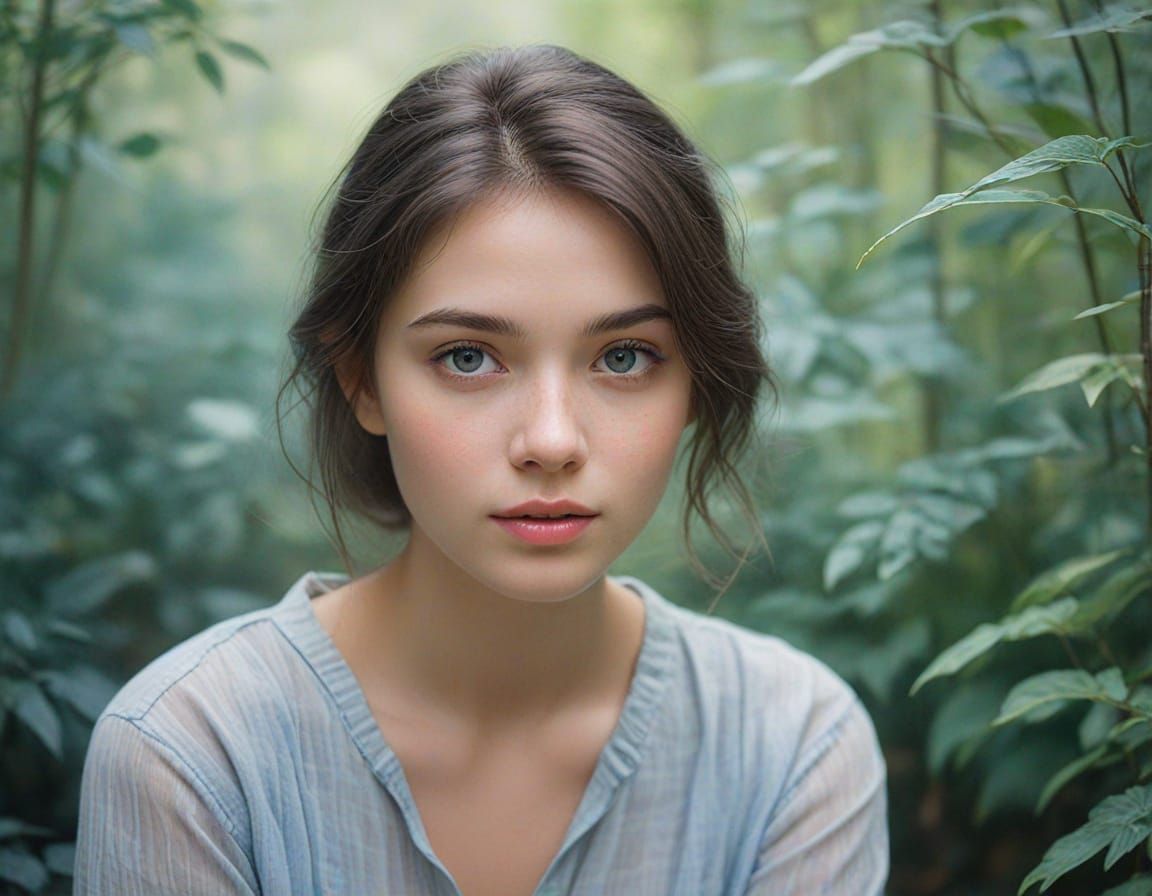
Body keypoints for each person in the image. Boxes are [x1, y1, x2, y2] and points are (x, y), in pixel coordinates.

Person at [73, 43, 888, 895]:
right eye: (468, 357)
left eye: (624, 357)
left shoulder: (793, 744)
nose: (550, 439)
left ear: (693, 383)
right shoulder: (191, 753)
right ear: (362, 379)